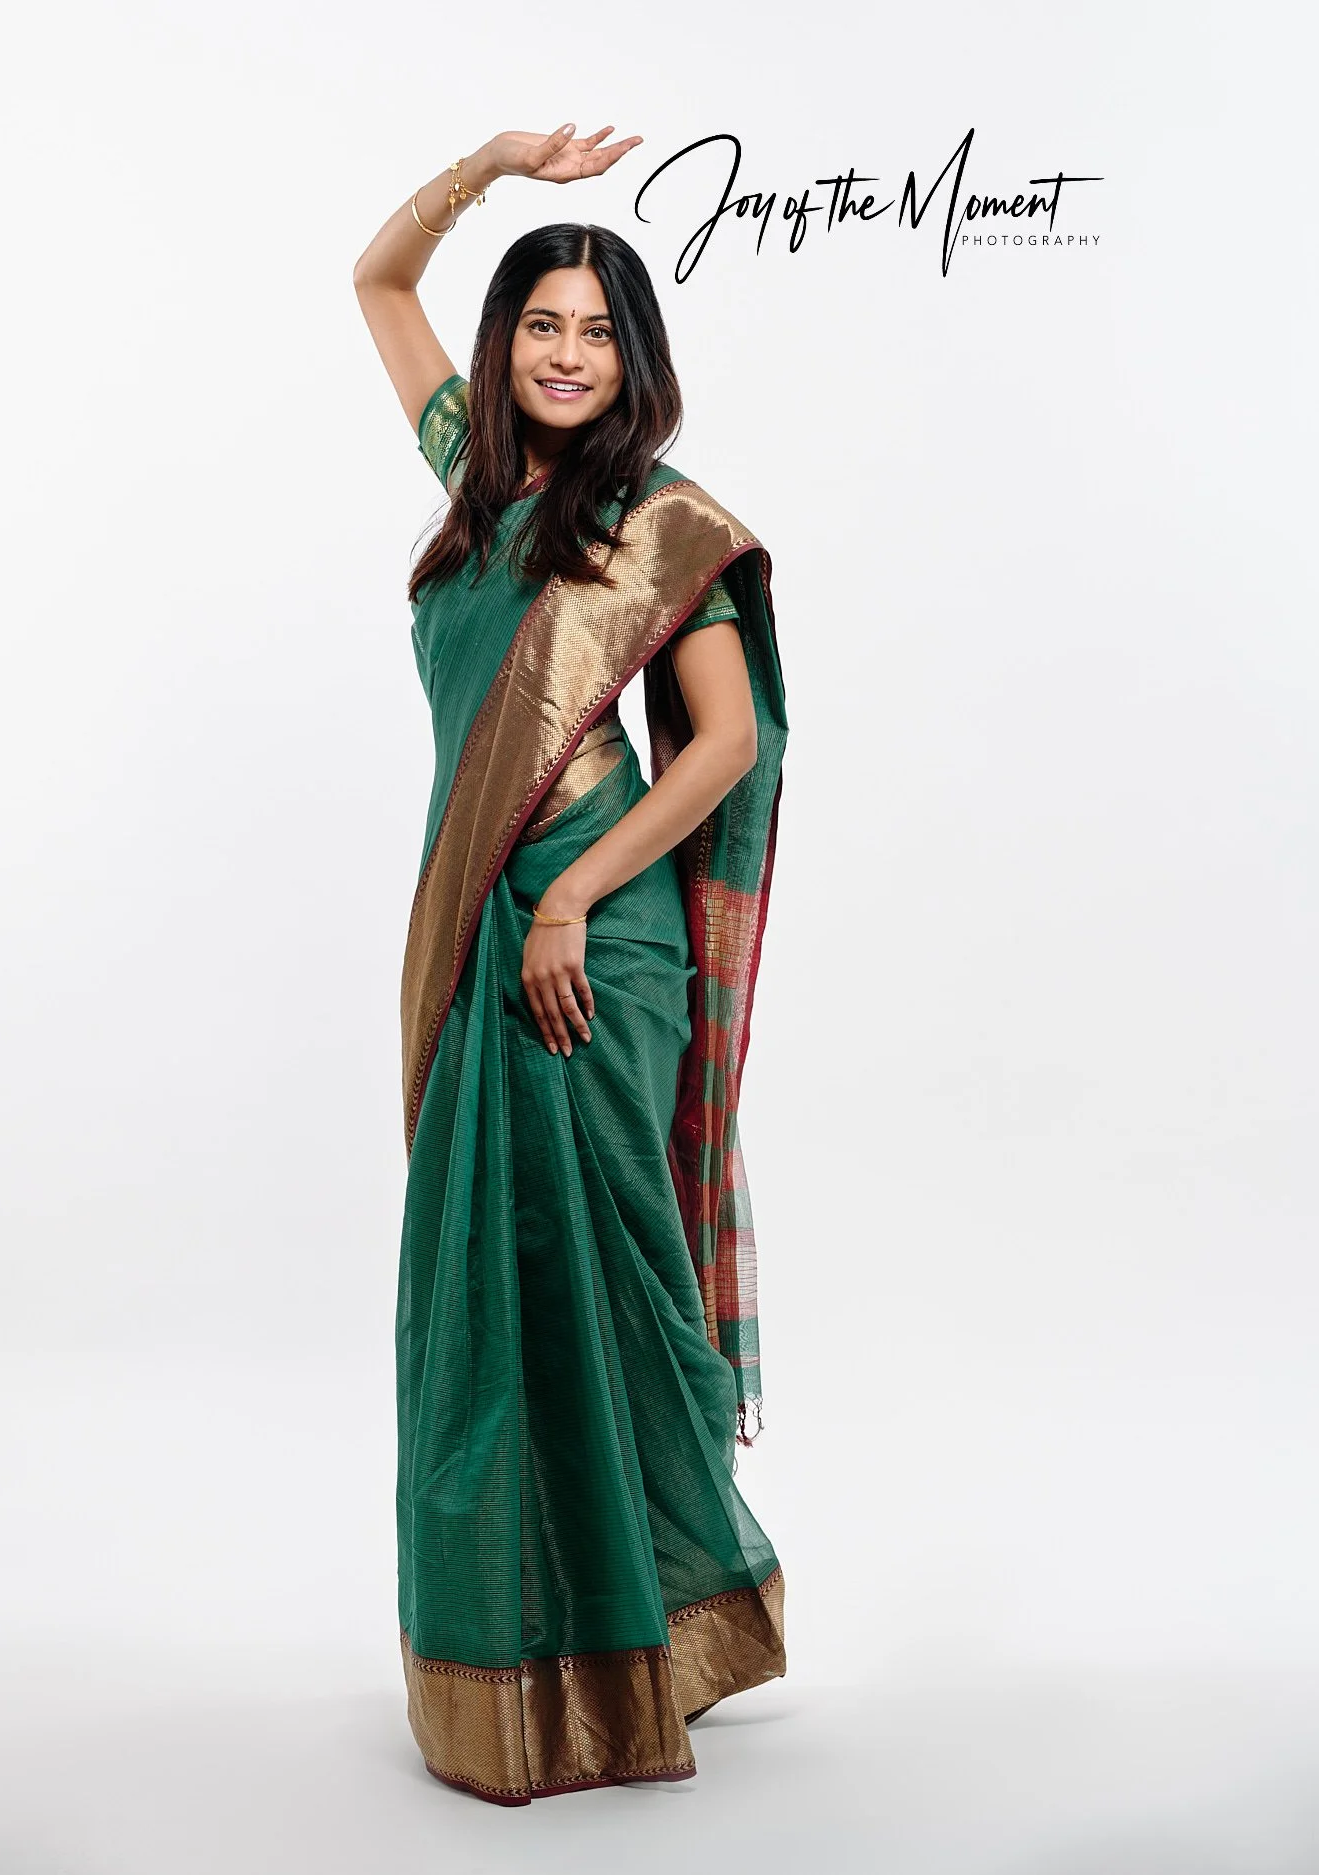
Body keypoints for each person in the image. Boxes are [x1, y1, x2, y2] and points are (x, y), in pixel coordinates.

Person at [352, 123, 790, 1807]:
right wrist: (494, 165)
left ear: (634, 359)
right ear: (506, 341)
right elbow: (376, 278)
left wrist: (564, 897)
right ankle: (520, 1653)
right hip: (487, 927)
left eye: (597, 331)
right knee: (489, 1292)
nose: (564, 351)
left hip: (596, 942)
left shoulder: (662, 527)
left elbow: (724, 744)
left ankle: (655, 1630)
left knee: (612, 1279)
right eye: (543, 320)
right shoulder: (476, 476)